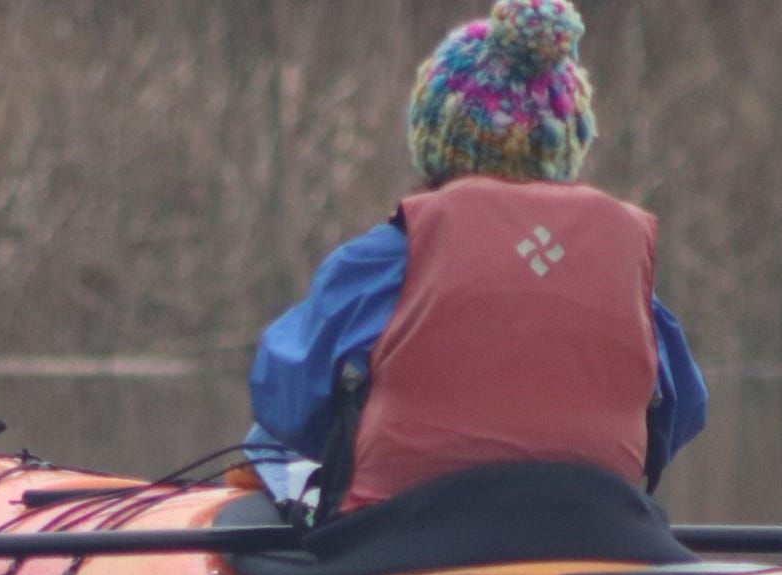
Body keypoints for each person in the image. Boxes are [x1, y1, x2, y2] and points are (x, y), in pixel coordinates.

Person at [245, 0, 707, 520]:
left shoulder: (382, 262)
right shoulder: (623, 280)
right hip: (597, 533)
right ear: (566, 148)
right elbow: (683, 412)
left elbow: (284, 398)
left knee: (265, 444)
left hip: (398, 542)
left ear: (435, 140)